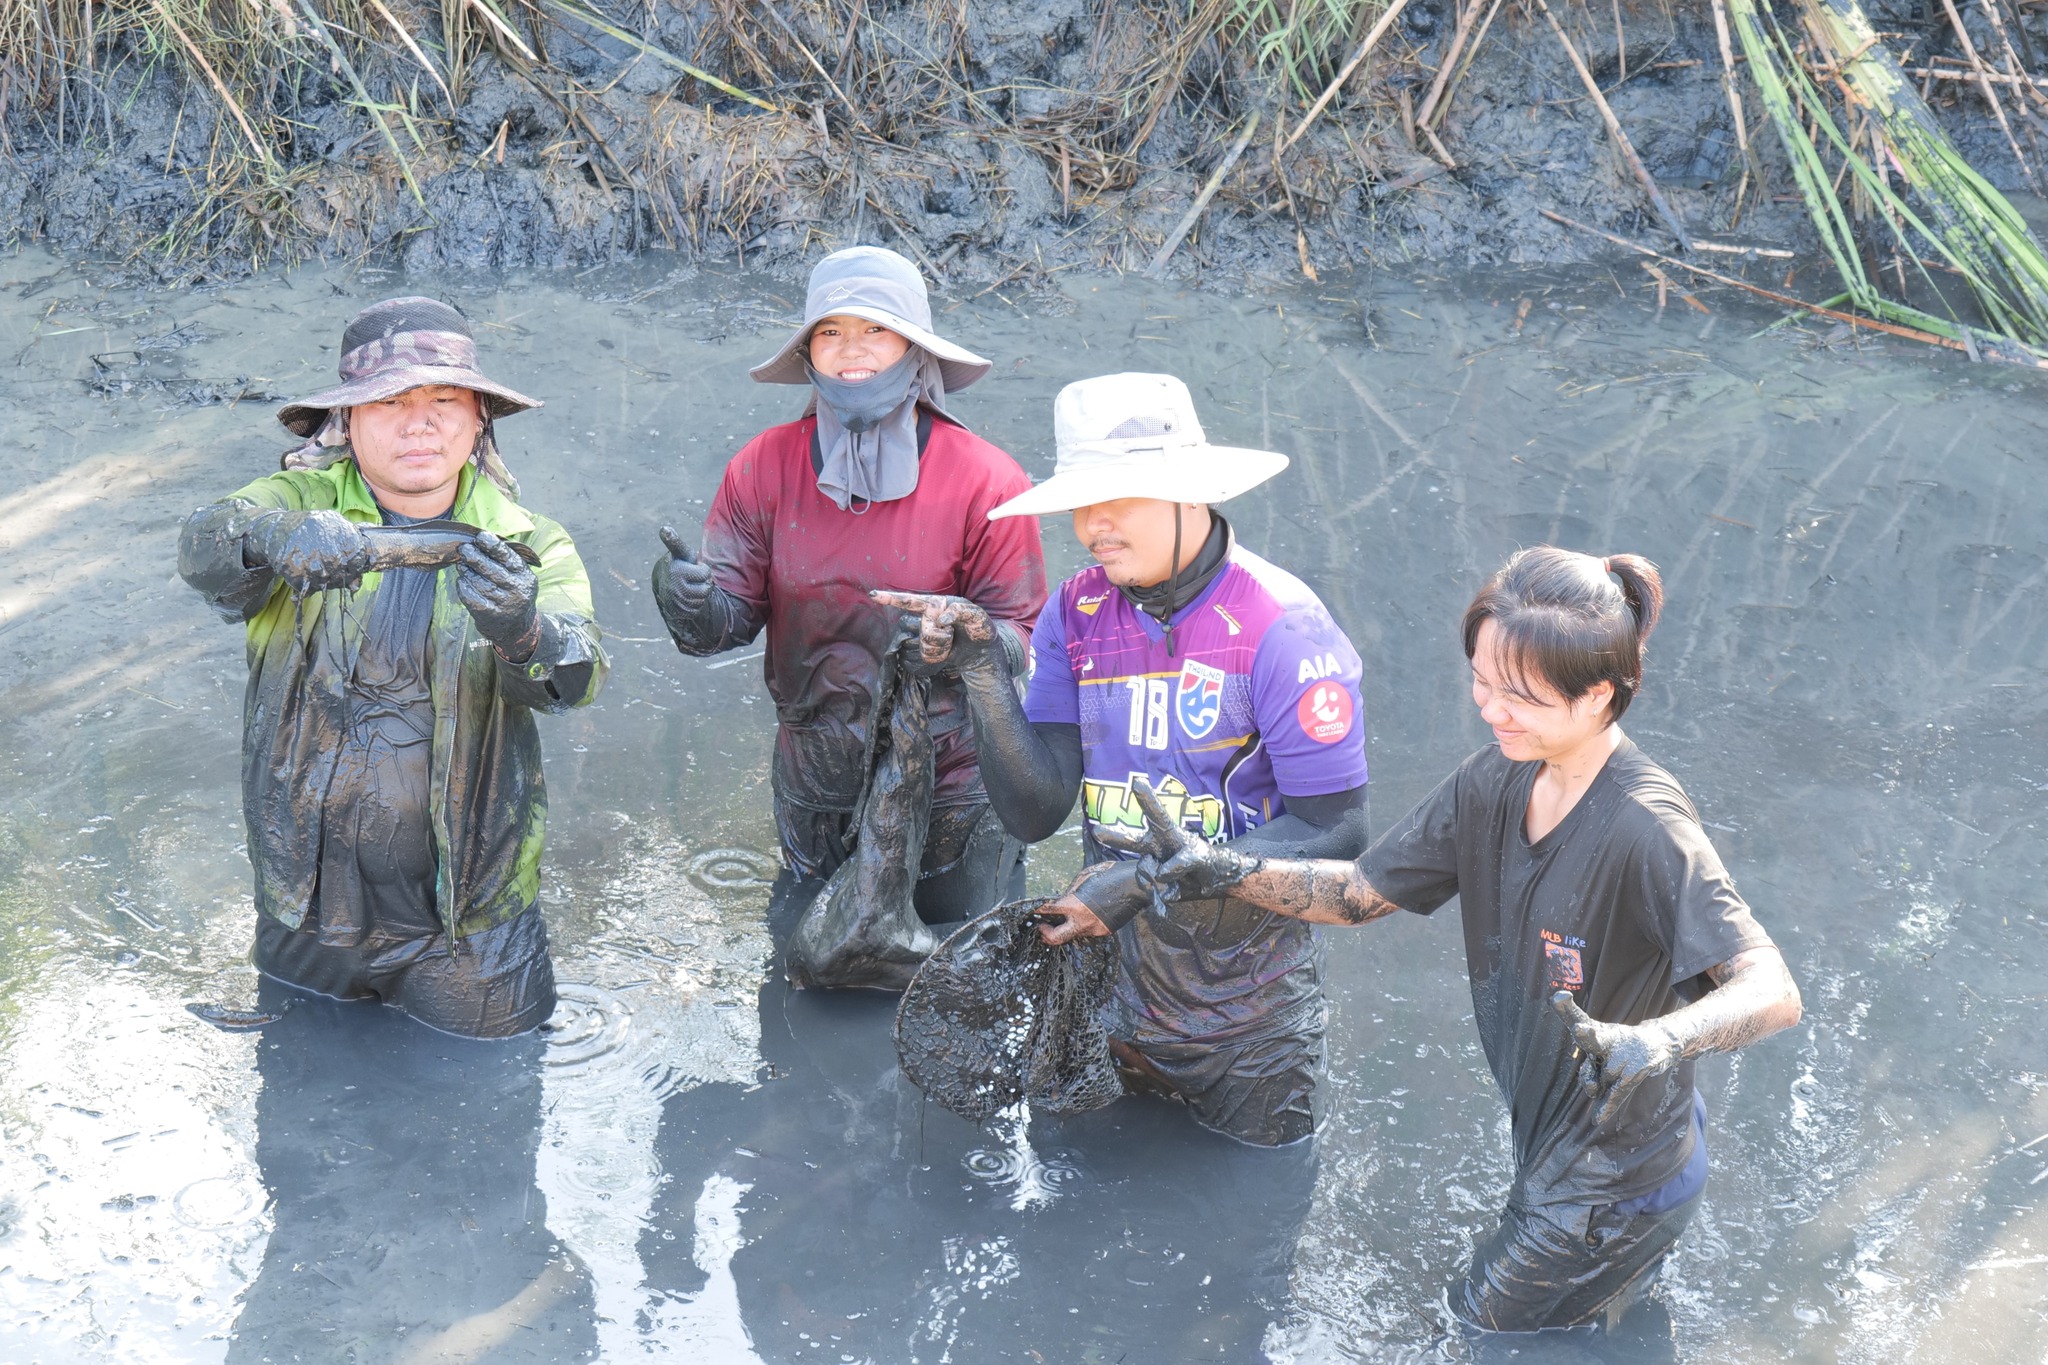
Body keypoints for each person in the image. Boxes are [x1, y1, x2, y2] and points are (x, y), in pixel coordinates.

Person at [1103, 545, 1803, 1332]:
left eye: (1521, 696)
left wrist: (1662, 1040)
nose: (1492, 710)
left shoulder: (1649, 827)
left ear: (1599, 694)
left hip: (1614, 1186)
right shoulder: (1495, 777)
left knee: (1472, 1328)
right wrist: (1223, 870)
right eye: (1483, 682)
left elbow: (1774, 989)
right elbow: (1359, 892)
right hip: (1577, 1151)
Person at [877, 372, 1372, 1147]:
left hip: (1250, 1024)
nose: (1093, 525)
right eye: (1082, 501)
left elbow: (1338, 831)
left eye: (1117, 498)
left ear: (1189, 492)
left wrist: (1148, 879)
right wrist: (983, 673)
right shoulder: (1077, 612)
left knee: (1258, 1208)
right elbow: (1035, 810)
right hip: (1108, 1004)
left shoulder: (1282, 627)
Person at [178, 296, 605, 1039]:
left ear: (479, 419)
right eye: (389, 402)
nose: (420, 424)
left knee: (491, 1095)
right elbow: (201, 543)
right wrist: (272, 537)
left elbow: (579, 679)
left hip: (471, 923)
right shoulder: (297, 501)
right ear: (346, 421)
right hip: (305, 904)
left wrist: (525, 630)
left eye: (444, 401)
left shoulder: (530, 541)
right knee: (297, 1086)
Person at [652, 245, 1046, 927]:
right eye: (831, 331)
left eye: (876, 329)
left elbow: (1022, 639)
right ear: (808, 351)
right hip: (815, 783)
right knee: (808, 966)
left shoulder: (987, 480)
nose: (851, 348)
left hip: (954, 786)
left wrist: (966, 642)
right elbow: (724, 624)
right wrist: (685, 599)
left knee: (959, 964)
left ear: (915, 349)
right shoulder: (763, 467)